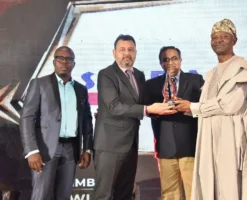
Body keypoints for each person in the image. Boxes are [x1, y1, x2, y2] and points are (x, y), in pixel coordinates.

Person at [175, 19, 247, 200]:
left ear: (234, 40)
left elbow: (230, 105)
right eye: (214, 37)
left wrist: (193, 107)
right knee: (210, 186)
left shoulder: (242, 69)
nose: (218, 40)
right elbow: (206, 106)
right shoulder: (211, 73)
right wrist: (183, 106)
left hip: (230, 140)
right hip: (209, 139)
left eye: (224, 36)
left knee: (229, 188)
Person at [92, 34, 174, 200]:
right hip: (110, 145)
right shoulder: (106, 74)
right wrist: (148, 109)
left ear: (135, 52)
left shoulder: (138, 75)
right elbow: (115, 107)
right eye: (122, 50)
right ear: (114, 53)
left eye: (130, 49)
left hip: (130, 144)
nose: (126, 53)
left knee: (125, 192)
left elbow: (144, 102)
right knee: (103, 194)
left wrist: (168, 103)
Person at [20, 46, 93, 200]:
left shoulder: (80, 89)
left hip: (71, 150)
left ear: (74, 64)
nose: (64, 62)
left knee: (64, 196)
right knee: (41, 196)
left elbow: (86, 121)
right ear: (54, 62)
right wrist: (32, 150)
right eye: (60, 58)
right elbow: (27, 118)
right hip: (45, 150)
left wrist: (87, 148)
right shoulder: (39, 84)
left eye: (68, 59)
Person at [144, 46, 204, 200]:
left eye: (174, 58)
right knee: (169, 194)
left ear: (181, 60)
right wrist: (159, 110)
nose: (170, 62)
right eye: (165, 60)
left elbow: (204, 107)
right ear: (161, 64)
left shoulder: (195, 81)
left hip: (190, 145)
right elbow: (146, 110)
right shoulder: (152, 85)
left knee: (194, 193)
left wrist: (188, 106)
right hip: (166, 146)